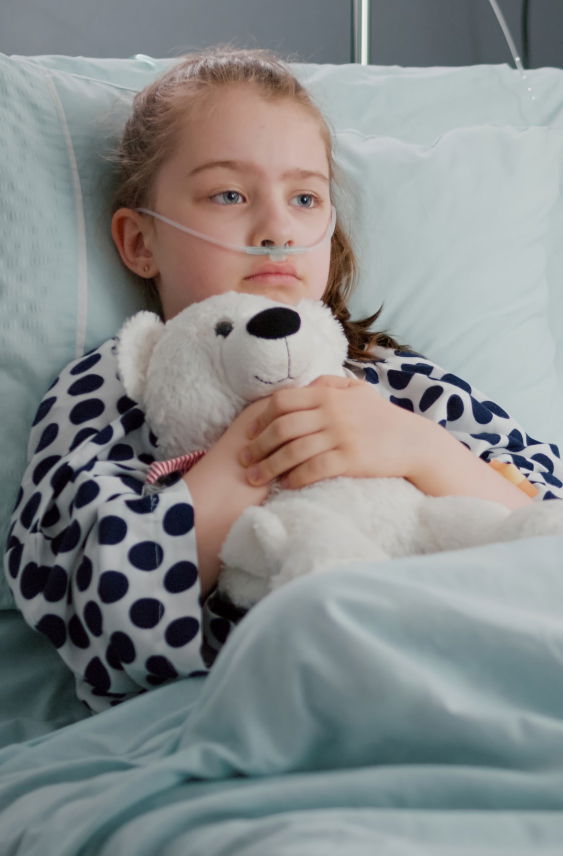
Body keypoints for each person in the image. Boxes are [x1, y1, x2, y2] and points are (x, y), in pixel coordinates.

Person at [5, 48, 563, 713]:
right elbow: (104, 617)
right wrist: (252, 451)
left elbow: (543, 522)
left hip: (479, 667)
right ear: (139, 242)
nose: (277, 229)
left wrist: (417, 449)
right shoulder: (114, 387)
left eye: (304, 197)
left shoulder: (395, 381)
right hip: (270, 699)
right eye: (229, 195)